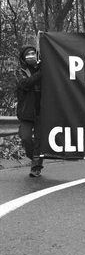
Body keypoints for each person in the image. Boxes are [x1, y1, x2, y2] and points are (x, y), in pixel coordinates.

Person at [15, 45, 43, 177]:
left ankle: (36, 167)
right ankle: (34, 159)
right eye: (28, 54)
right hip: (26, 112)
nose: (31, 56)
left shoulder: (44, 68)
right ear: (23, 57)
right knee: (26, 138)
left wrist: (42, 69)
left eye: (33, 53)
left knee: (39, 140)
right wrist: (40, 74)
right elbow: (25, 84)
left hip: (42, 111)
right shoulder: (19, 71)